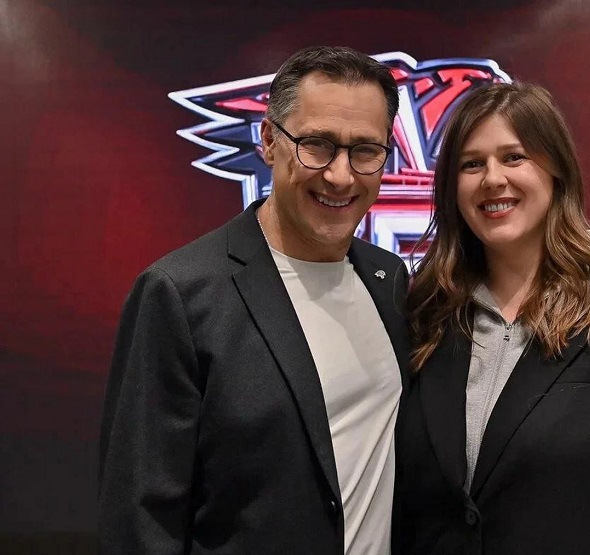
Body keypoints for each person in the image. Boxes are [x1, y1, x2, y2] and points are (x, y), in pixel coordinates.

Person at [98, 46, 409, 554]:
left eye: (365, 150)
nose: (341, 175)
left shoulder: (388, 279)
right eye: (316, 145)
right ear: (268, 140)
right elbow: (141, 518)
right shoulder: (180, 294)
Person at [396, 82, 590, 554]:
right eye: (471, 164)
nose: (492, 178)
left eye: (514, 157)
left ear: (557, 167)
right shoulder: (425, 318)